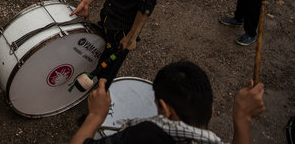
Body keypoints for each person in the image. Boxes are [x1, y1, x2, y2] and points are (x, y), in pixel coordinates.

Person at [70, 61, 266, 144]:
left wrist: (95, 116)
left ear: (165, 108)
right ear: (212, 111)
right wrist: (243, 118)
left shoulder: (145, 135)